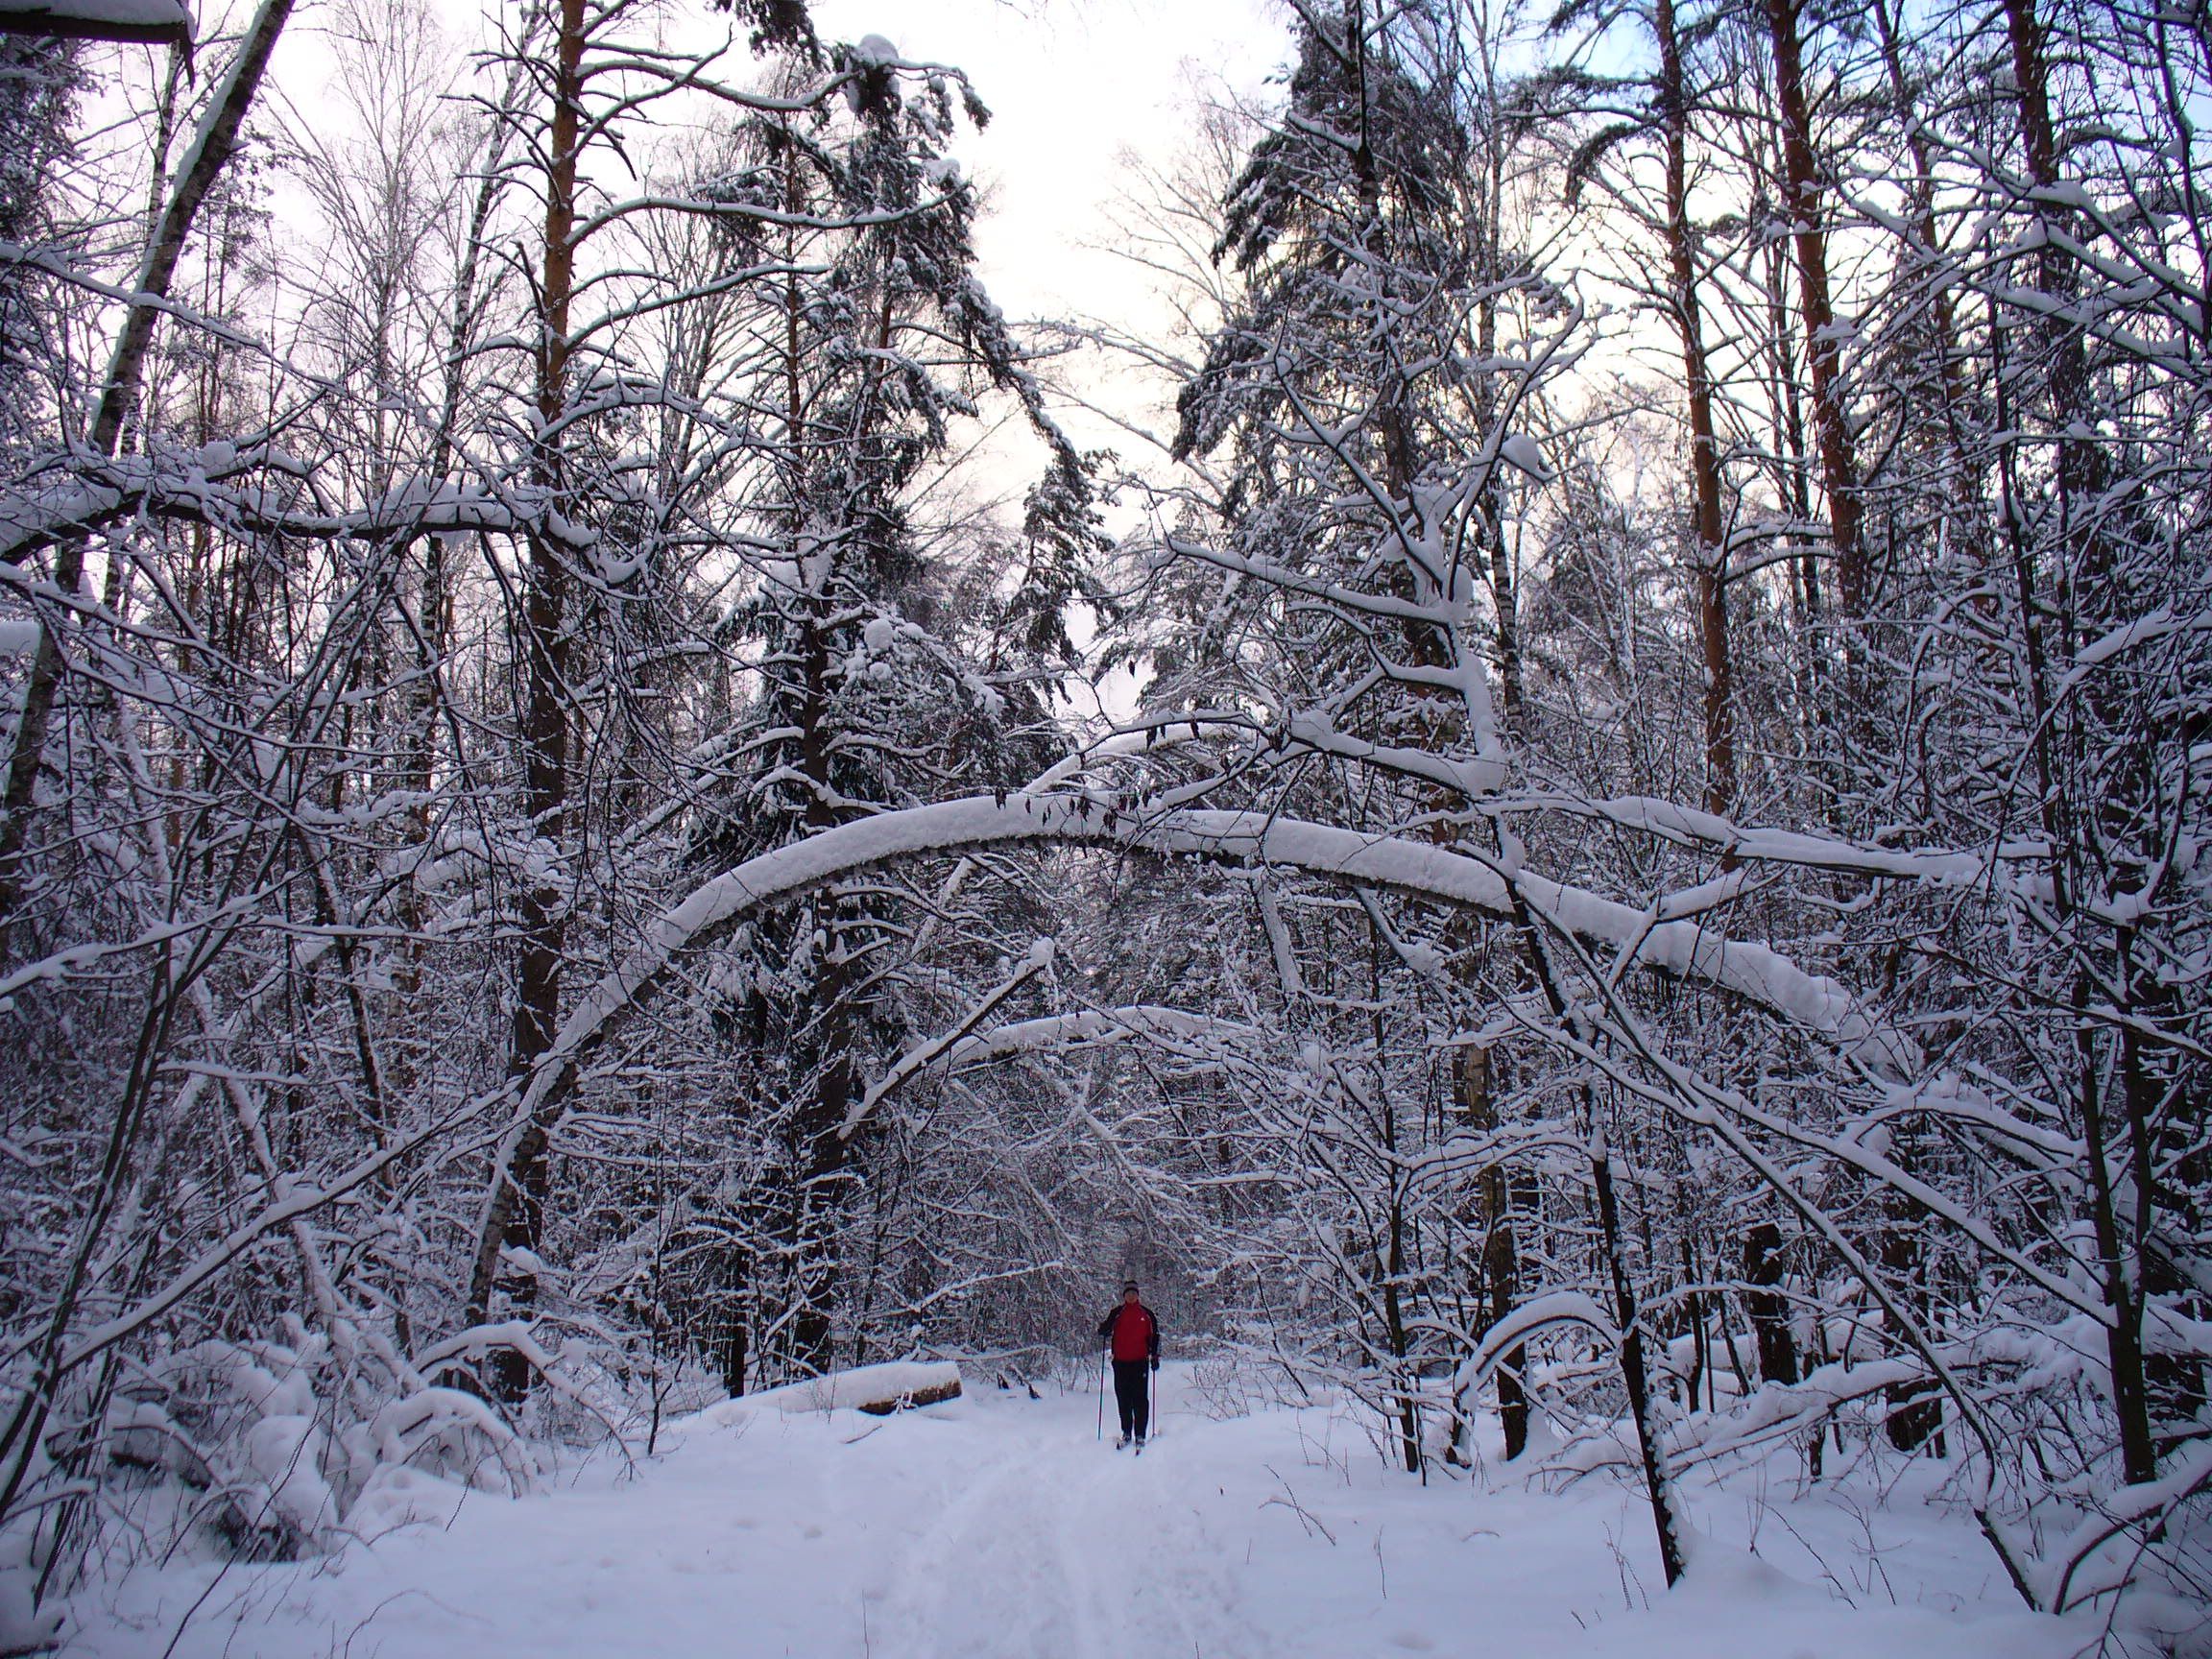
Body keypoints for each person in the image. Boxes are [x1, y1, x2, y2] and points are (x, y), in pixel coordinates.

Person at [1095, 1281, 1161, 1449]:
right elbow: (1105, 1329)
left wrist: (1155, 1356)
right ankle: (1126, 1432)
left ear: (1138, 1295)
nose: (1131, 1296)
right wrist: (1104, 1330)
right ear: (1124, 1296)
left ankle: (1140, 1434)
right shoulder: (1117, 1313)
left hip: (1140, 1362)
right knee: (1123, 1399)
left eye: (1134, 1293)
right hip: (1121, 1362)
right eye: (1128, 1293)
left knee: (1140, 1399)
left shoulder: (1147, 1314)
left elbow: (1155, 1336)